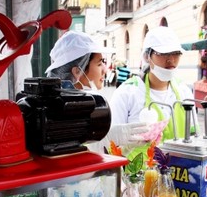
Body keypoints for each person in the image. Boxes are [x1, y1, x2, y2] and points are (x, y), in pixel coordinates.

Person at [45, 31, 151, 152]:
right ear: (77, 71)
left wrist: (124, 147)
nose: (105, 70)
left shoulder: (84, 104)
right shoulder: (58, 110)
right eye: (100, 63)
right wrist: (110, 138)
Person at [109, 26, 198, 160]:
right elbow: (111, 144)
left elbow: (194, 136)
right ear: (147, 56)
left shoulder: (184, 92)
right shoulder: (127, 93)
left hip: (179, 175)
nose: (171, 59)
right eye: (163, 54)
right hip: (137, 177)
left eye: (176, 53)